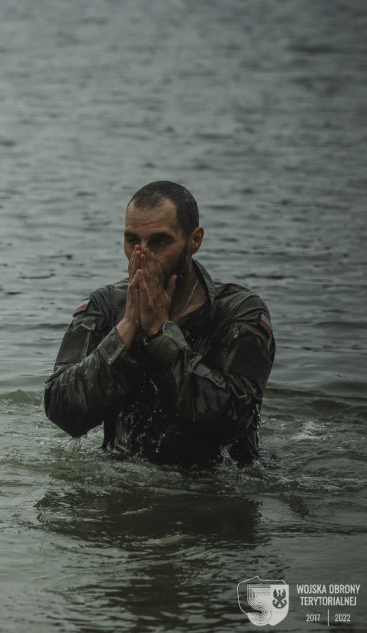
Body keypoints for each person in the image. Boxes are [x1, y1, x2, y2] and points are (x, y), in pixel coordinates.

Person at [43, 181, 275, 466]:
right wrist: (127, 326)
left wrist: (161, 332)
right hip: (123, 476)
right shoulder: (104, 306)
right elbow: (61, 410)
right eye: (132, 241)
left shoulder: (239, 313)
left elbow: (230, 420)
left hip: (211, 482)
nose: (142, 255)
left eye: (159, 241)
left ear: (194, 240)